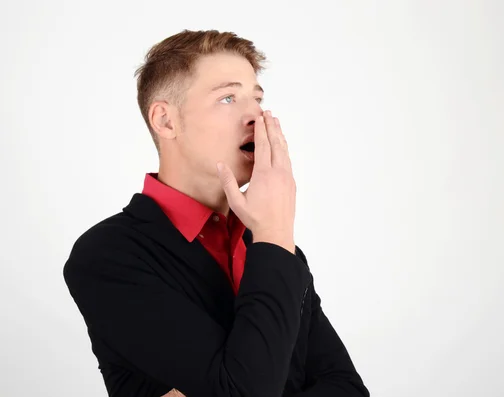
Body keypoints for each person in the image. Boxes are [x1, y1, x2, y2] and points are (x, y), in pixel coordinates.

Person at [63, 29, 369, 397]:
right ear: (165, 121)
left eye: (257, 98)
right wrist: (274, 236)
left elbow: (348, 388)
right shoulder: (108, 254)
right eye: (228, 98)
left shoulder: (271, 246)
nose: (256, 115)